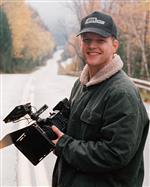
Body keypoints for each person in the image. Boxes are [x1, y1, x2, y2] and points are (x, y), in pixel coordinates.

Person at [51, 11, 149, 187]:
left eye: (100, 40)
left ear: (115, 45)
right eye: (87, 40)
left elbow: (114, 154)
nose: (92, 46)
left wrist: (64, 144)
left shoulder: (122, 93)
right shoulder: (81, 84)